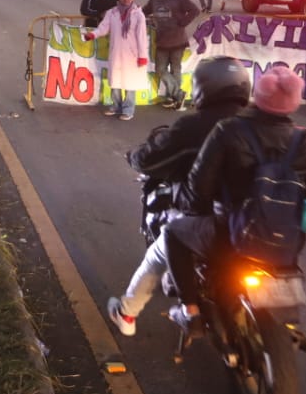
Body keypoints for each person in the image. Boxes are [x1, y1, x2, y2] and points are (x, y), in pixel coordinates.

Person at [107, 57, 253, 335]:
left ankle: (127, 314)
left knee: (160, 251)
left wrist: (134, 157)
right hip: (262, 223)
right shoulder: (261, 121)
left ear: (203, 88)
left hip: (213, 222)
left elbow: (150, 158)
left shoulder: (194, 126)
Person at [84, 0, 150, 121]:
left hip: (132, 55)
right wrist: (93, 34)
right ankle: (116, 106)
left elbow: (142, 36)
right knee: (116, 81)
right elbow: (103, 28)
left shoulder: (138, 14)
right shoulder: (112, 13)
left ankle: (128, 109)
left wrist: (142, 56)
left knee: (130, 83)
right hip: (116, 53)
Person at [143, 0, 200, 109]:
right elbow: (143, 11)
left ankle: (171, 97)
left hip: (177, 40)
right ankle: (178, 94)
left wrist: (183, 22)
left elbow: (195, 10)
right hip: (162, 40)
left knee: (175, 69)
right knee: (160, 69)